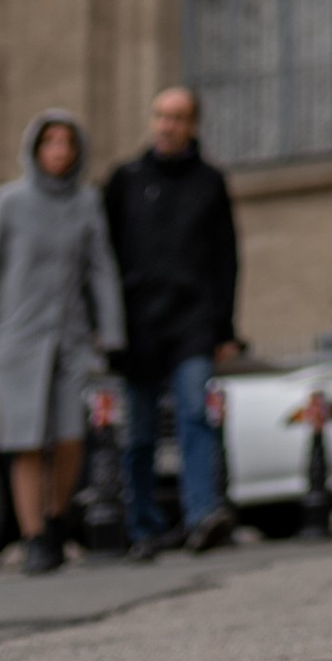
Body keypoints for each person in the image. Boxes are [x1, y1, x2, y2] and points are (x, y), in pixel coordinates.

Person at [0, 110, 126, 574]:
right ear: (35, 150)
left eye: (67, 143)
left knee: (71, 437)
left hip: (70, 339)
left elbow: (100, 269)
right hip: (16, 340)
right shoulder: (9, 202)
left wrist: (110, 332)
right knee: (27, 441)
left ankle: (56, 518)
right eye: (50, 142)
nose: (59, 151)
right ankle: (34, 537)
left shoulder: (87, 202)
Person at [104, 84, 242, 559]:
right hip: (137, 326)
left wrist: (224, 329)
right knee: (140, 433)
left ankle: (203, 515)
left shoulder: (209, 183)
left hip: (192, 324)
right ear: (153, 120)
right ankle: (144, 527)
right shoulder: (125, 181)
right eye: (162, 115)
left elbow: (227, 259)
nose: (168, 124)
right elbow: (104, 260)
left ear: (193, 125)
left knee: (194, 415)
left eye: (178, 117)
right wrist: (107, 326)